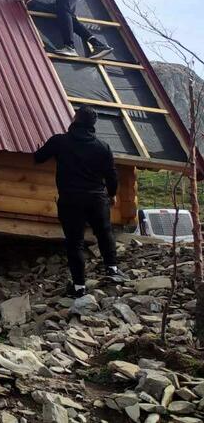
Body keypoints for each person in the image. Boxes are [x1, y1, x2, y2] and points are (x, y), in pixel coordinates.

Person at [34, 105, 128, 297]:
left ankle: (79, 286)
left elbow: (39, 158)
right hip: (97, 199)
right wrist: (111, 194)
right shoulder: (103, 147)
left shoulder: (60, 141)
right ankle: (112, 269)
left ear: (76, 119)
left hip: (70, 199)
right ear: (93, 124)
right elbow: (112, 176)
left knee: (74, 242)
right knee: (104, 232)